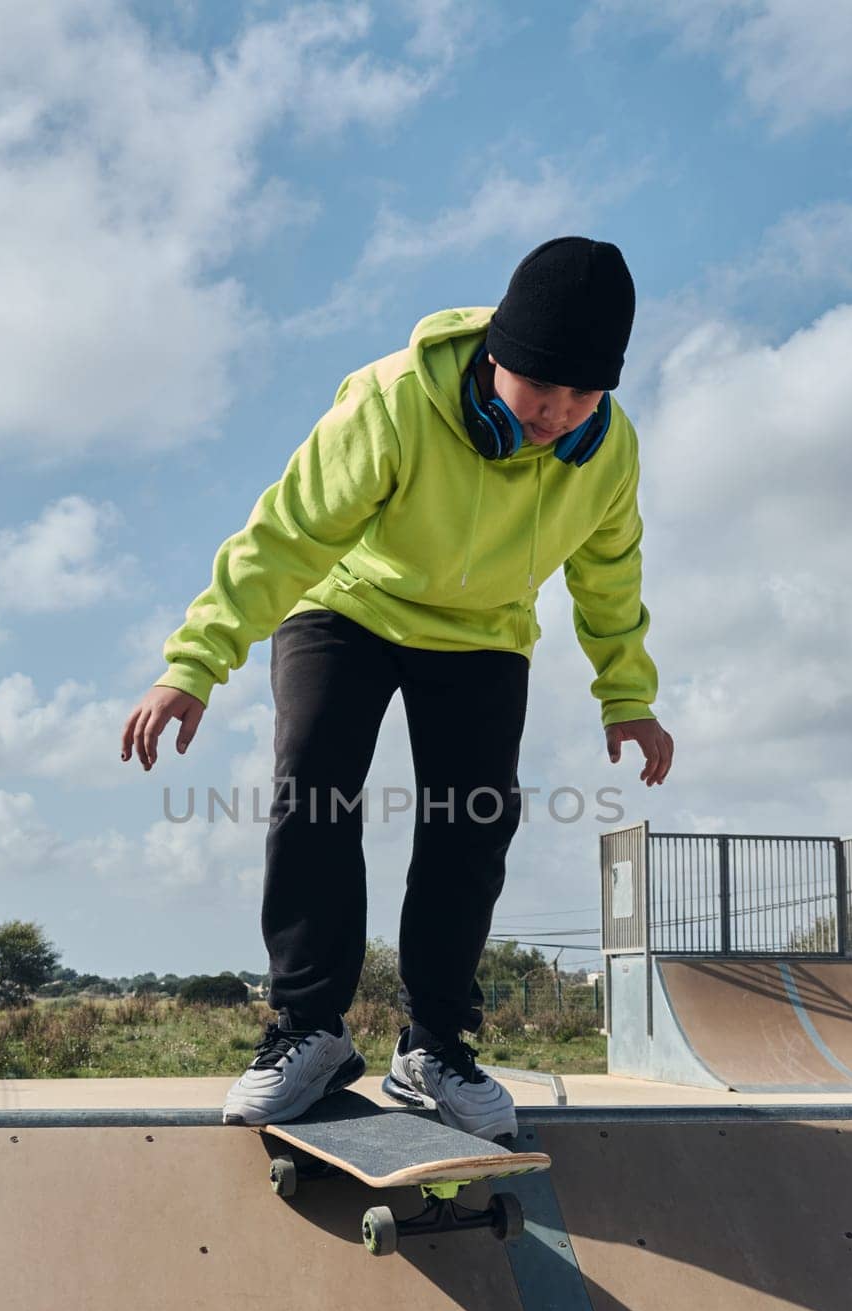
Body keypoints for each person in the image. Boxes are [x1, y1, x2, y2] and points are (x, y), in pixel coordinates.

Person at [120, 236, 673, 1139]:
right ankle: (308, 1027)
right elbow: (287, 535)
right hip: (347, 601)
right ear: (497, 352)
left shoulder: (604, 454)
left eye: (583, 396)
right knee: (315, 784)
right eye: (542, 389)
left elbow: (610, 574)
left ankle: (433, 1046)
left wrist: (628, 695)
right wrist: (194, 661)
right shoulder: (390, 401)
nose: (558, 414)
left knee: (474, 817)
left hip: (484, 631)